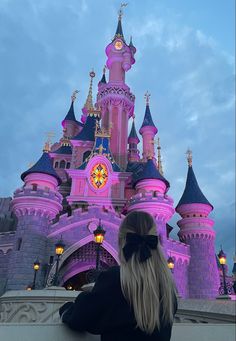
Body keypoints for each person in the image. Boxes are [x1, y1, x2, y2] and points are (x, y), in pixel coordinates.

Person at [59, 211, 178, 341]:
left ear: (122, 241)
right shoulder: (168, 288)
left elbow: (80, 319)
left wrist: (66, 309)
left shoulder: (115, 279)